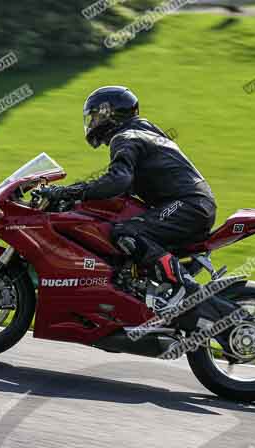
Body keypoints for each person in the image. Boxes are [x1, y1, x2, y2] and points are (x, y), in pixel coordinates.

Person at [44, 85, 217, 302]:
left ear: (110, 113)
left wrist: (69, 192)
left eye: (96, 116)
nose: (93, 122)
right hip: (192, 204)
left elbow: (118, 180)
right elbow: (122, 188)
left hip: (188, 205)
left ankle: (190, 292)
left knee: (127, 232)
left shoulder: (125, 137)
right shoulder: (142, 131)